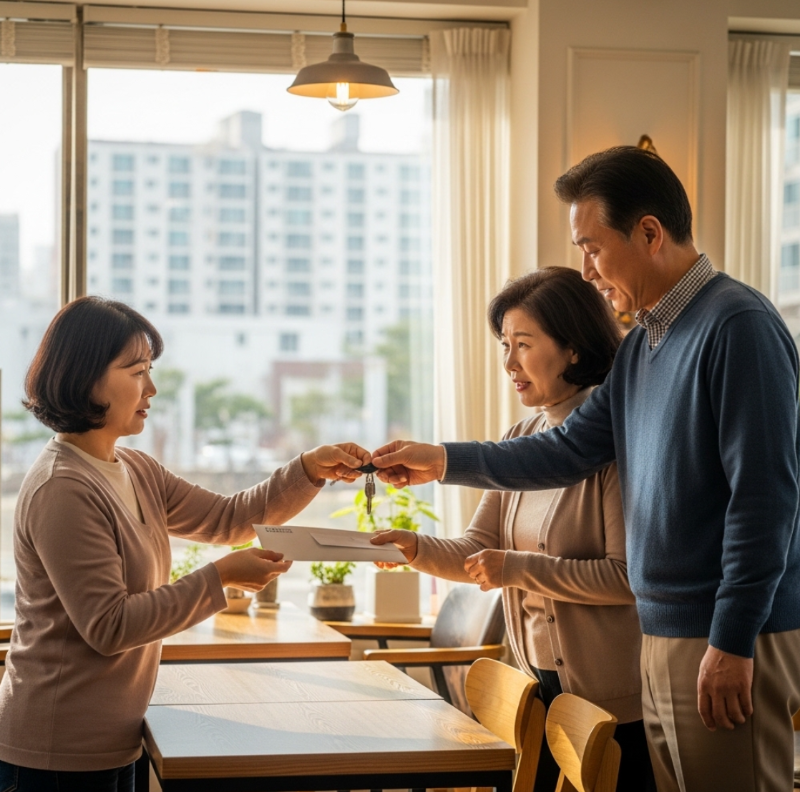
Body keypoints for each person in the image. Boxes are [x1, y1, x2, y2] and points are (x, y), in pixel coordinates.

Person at [370, 147, 800, 792]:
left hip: (723, 629)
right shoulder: (646, 345)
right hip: (665, 627)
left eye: (592, 247)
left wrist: (734, 638)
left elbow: (765, 497)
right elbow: (563, 450)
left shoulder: (737, 325)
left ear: (649, 233)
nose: (586, 269)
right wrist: (441, 460)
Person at [0, 296, 367, 791]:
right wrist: (220, 578)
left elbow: (228, 519)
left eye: (150, 370)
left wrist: (307, 470)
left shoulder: (135, 469)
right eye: (136, 372)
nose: (151, 387)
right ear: (86, 377)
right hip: (56, 751)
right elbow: (109, 626)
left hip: (116, 738)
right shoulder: (62, 488)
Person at [372, 267, 654, 791]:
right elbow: (479, 549)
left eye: (523, 344)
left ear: (572, 348)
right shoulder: (523, 436)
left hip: (611, 699)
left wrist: (519, 569)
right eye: (504, 344)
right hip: (536, 684)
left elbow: (624, 578)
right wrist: (412, 548)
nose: (508, 363)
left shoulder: (611, 444)